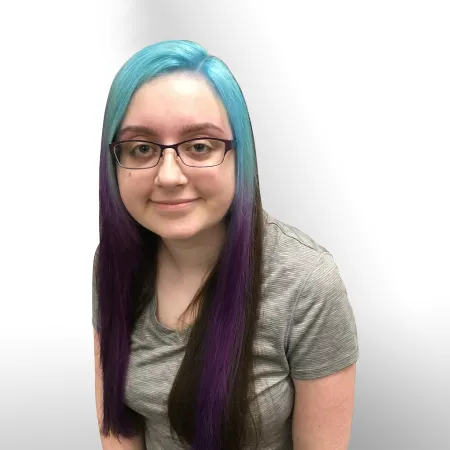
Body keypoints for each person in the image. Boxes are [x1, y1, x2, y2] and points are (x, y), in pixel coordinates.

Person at [92, 39, 359, 450]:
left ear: (240, 156)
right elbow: (119, 431)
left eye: (199, 146)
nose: (168, 176)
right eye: (142, 148)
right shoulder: (113, 264)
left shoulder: (306, 282)